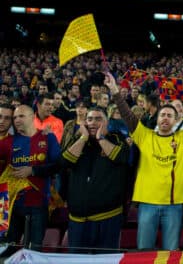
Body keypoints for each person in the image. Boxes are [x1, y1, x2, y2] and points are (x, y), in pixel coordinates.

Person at [105, 72, 183, 250]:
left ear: (176, 121)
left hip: (173, 205)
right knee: (144, 251)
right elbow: (127, 115)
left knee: (171, 252)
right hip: (147, 203)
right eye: (162, 115)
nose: (165, 117)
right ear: (157, 119)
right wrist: (114, 90)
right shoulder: (144, 135)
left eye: (169, 115)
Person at [60, 106, 130, 253]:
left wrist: (100, 138)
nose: (92, 123)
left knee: (105, 260)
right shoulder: (77, 140)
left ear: (107, 122)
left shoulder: (117, 138)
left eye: (98, 119)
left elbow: (121, 158)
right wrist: (83, 138)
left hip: (107, 217)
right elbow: (64, 163)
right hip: (78, 219)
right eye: (89, 119)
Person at [3, 105, 60, 250]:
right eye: (15, 117)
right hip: (11, 206)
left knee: (34, 250)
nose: (17, 120)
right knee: (9, 248)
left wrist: (33, 170)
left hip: (38, 204)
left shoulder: (48, 137)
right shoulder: (8, 142)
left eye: (21, 116)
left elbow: (58, 166)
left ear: (32, 117)